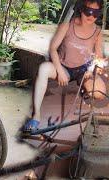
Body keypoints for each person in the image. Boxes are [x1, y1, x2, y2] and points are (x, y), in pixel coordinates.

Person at [24, 0, 106, 131]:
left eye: (95, 13)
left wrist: (91, 70)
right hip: (64, 66)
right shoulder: (67, 26)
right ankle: (36, 116)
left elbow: (98, 57)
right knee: (43, 69)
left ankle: (82, 93)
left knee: (100, 93)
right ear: (81, 9)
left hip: (84, 70)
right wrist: (59, 71)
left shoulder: (97, 31)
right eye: (88, 11)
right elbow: (52, 49)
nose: (91, 16)